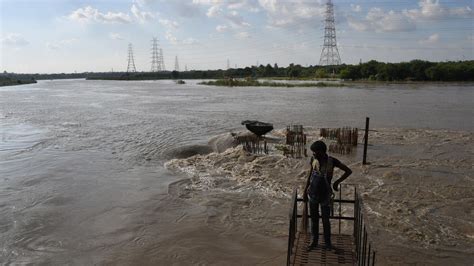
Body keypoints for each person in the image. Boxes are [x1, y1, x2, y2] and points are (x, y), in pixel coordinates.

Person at [304, 140, 352, 251]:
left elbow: (348, 171)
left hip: (325, 196)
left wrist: (336, 182)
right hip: (313, 194)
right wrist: (305, 189)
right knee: (314, 219)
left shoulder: (332, 161)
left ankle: (328, 243)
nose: (313, 154)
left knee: (326, 221)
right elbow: (310, 175)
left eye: (315, 152)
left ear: (322, 151)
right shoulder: (313, 160)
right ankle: (314, 241)